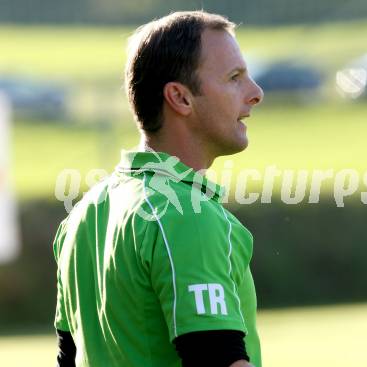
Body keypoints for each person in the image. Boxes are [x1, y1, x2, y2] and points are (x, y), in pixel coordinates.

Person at [53, 10, 264, 367]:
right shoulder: (187, 214)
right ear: (181, 98)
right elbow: (215, 358)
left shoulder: (81, 217)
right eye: (234, 78)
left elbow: (66, 360)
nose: (255, 93)